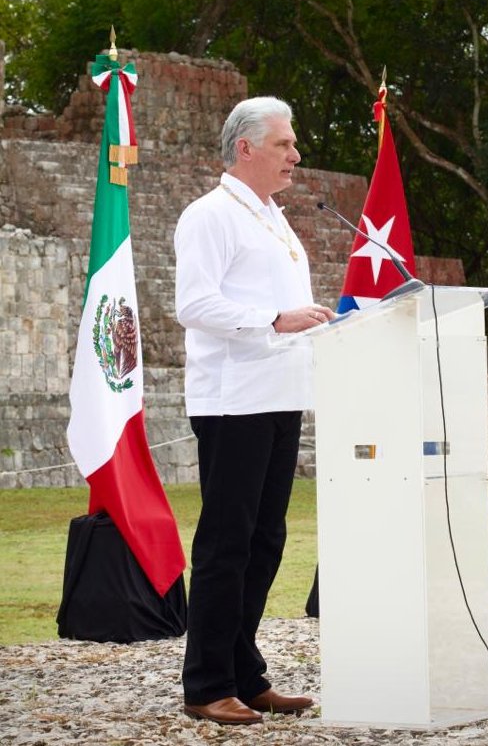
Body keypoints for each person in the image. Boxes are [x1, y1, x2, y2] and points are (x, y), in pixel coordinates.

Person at [174, 96, 335, 725]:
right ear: (246, 148)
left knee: (266, 539)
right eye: (284, 145)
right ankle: (207, 682)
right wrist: (274, 318)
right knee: (227, 542)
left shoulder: (273, 217)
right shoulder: (210, 215)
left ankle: (245, 671)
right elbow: (194, 304)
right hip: (234, 399)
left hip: (281, 394)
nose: (295, 155)